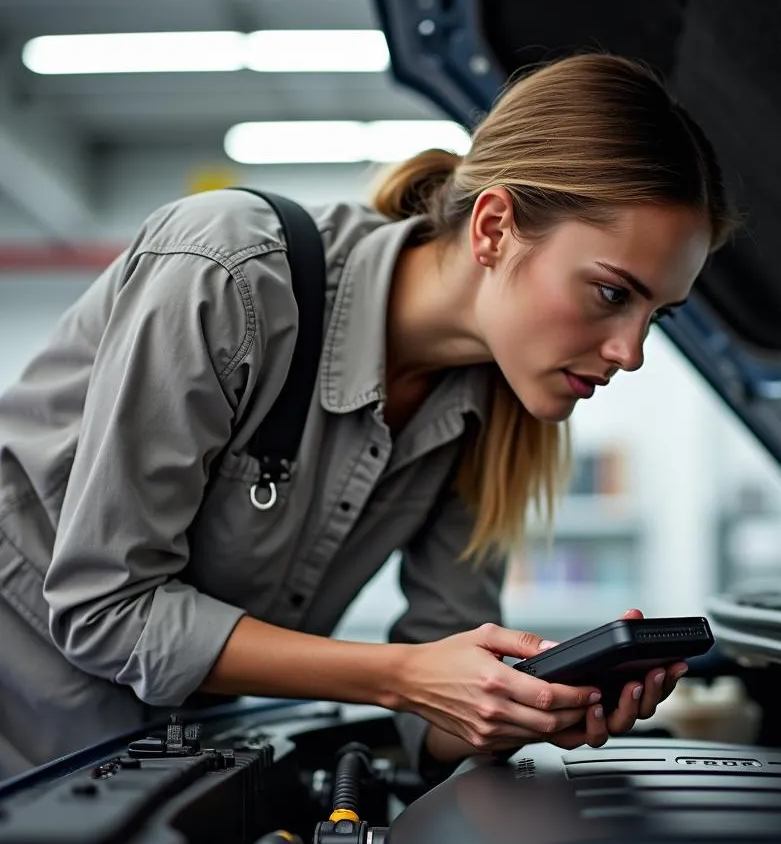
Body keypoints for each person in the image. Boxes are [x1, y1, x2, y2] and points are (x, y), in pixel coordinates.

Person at [0, 53, 733, 779]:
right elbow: (106, 608)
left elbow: (436, 711)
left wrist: (514, 708)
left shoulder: (498, 412)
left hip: (145, 769)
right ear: (494, 229)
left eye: (657, 315)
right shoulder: (227, 275)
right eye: (611, 294)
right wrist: (403, 675)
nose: (630, 352)